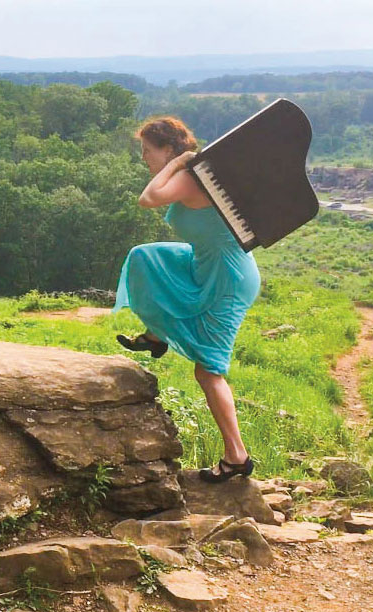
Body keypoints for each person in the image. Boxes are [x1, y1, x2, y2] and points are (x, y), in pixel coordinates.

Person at [112, 116, 261, 483]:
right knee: (147, 258)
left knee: (208, 370)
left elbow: (147, 199)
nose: (144, 158)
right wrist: (177, 162)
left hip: (227, 278)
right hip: (202, 262)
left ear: (168, 149)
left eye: (148, 150)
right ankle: (157, 334)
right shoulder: (193, 172)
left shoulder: (189, 175)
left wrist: (177, 163)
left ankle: (237, 457)